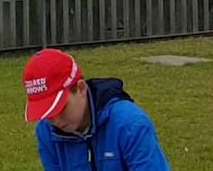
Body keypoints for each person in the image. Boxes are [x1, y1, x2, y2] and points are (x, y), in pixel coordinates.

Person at [23, 48, 170, 170]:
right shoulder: (46, 130)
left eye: (61, 108)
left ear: (81, 89)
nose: (56, 120)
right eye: (47, 113)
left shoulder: (130, 124)